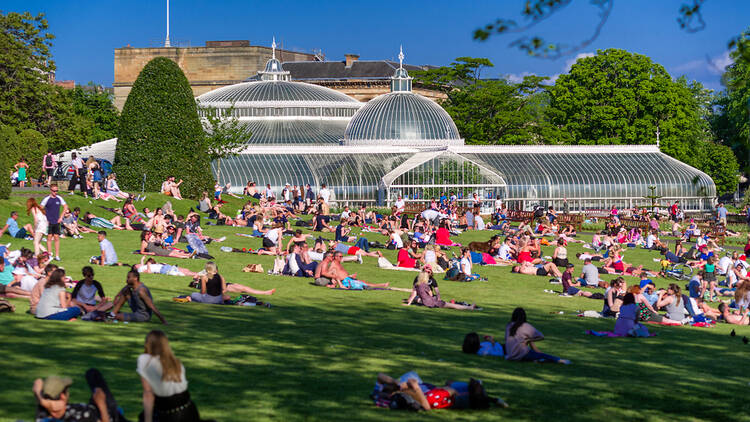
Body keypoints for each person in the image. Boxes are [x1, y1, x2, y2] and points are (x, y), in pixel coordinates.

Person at [138, 330, 204, 422]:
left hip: (168, 413)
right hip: (189, 409)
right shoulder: (176, 362)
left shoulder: (145, 360)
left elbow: (148, 393)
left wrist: (147, 419)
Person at [33, 369, 122, 422]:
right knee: (92, 373)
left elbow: (38, 382)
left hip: (93, 408)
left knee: (92, 374)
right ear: (63, 396)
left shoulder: (42, 414)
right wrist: (101, 404)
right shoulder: (80, 416)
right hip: (109, 414)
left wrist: (43, 402)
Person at [504, 307, 570, 364]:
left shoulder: (509, 325)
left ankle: (537, 359)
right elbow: (541, 337)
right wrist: (529, 340)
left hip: (510, 353)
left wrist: (528, 340)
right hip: (522, 354)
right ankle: (560, 360)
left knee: (534, 352)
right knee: (543, 356)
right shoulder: (525, 326)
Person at [405, 269, 476, 309]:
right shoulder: (425, 285)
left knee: (418, 299)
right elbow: (430, 294)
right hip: (431, 302)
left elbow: (413, 294)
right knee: (451, 305)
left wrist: (409, 304)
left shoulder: (416, 284)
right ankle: (469, 308)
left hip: (424, 302)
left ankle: (468, 307)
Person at [41, 184, 68, 261]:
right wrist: (45, 218)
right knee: (49, 237)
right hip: (49, 221)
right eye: (54, 191)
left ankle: (57, 255)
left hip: (57, 221)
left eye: (56, 191)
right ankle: (49, 254)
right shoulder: (47, 199)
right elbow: (41, 208)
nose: (55, 192)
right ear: (50, 190)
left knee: (56, 237)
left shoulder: (59, 198)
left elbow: (65, 207)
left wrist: (61, 217)